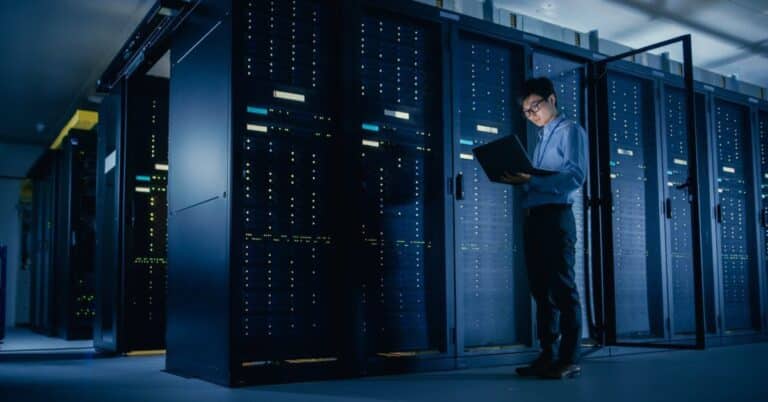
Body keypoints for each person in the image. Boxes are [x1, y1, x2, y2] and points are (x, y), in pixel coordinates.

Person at [501, 77, 587, 379]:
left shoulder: (570, 131)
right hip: (535, 217)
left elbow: (575, 176)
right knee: (540, 290)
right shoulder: (540, 139)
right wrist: (519, 179)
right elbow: (537, 182)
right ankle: (548, 355)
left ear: (552, 99)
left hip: (556, 217)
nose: (531, 113)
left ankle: (569, 358)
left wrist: (532, 181)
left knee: (563, 289)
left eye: (534, 106)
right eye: (526, 111)